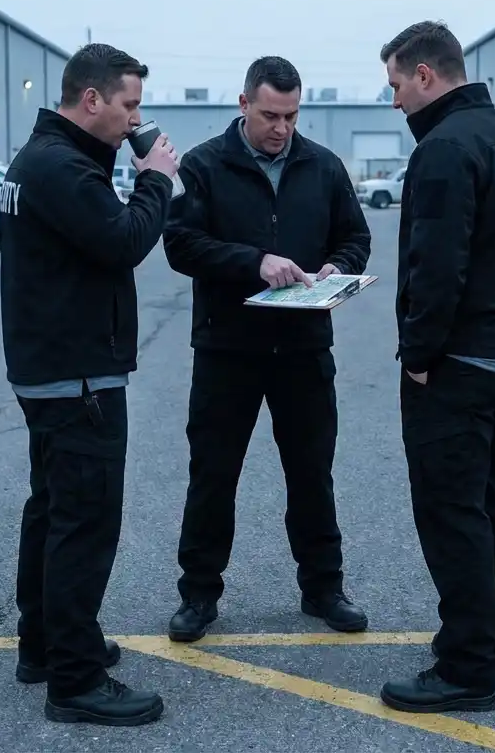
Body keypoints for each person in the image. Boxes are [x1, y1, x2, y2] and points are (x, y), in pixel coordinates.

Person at [0, 43, 180, 727]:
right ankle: (74, 681)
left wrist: (129, 158)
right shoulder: (62, 168)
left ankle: (45, 645)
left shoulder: (49, 158)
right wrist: (158, 178)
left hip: (52, 366)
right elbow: (122, 242)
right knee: (83, 522)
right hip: (76, 374)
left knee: (52, 509)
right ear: (93, 99)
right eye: (129, 104)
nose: (137, 118)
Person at [161, 56, 372, 642]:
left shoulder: (322, 166)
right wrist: (254, 262)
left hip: (304, 349)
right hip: (228, 349)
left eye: (292, 115)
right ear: (243, 104)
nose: (282, 127)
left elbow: (356, 235)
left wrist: (340, 266)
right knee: (213, 474)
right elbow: (180, 244)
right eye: (271, 115)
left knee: (311, 473)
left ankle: (324, 587)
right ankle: (199, 594)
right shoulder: (203, 165)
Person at [374, 22, 495, 715]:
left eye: (394, 86)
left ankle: (466, 668)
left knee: (452, 512)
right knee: (488, 499)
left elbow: (437, 267)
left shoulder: (445, 149)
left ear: (424, 75)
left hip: (460, 361)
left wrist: (418, 358)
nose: (393, 103)